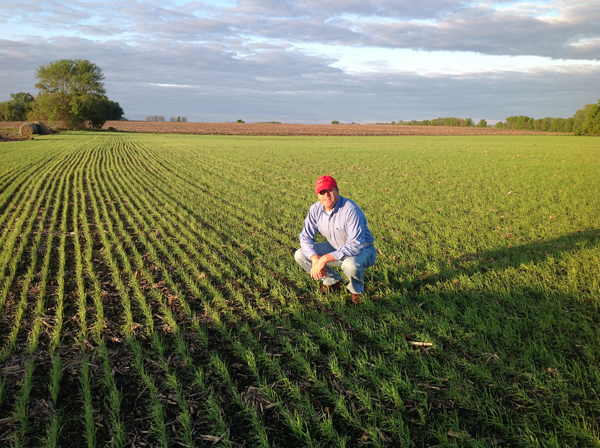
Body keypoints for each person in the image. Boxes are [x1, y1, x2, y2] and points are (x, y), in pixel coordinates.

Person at [295, 175, 376, 304]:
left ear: (337, 190)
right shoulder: (315, 209)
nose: (326, 195)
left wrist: (325, 259)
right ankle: (332, 281)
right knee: (301, 254)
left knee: (350, 264)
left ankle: (356, 291)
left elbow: (355, 245)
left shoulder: (350, 209)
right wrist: (316, 259)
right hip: (337, 247)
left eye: (330, 190)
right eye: (322, 192)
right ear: (318, 195)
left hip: (363, 250)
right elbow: (305, 237)